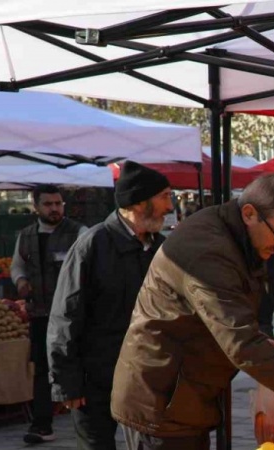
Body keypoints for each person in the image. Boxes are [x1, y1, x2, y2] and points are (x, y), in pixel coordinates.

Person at [111, 174, 274, 449]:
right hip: (161, 401)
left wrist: (266, 344)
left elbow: (242, 316)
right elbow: (241, 342)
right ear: (249, 214)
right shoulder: (207, 251)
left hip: (186, 397)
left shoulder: (238, 239)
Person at [48, 162, 173, 450]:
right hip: (96, 379)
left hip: (146, 377)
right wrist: (67, 382)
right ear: (141, 203)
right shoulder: (92, 245)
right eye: (165, 196)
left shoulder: (162, 249)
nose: (170, 206)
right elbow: (65, 317)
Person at [10, 185, 87, 445]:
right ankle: (41, 426)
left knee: (77, 366)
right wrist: (20, 281)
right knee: (43, 369)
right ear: (36, 207)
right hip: (41, 315)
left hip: (73, 316)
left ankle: (87, 426)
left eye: (58, 203)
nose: (54, 208)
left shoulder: (79, 233)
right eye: (48, 204)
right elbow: (17, 265)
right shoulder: (26, 235)